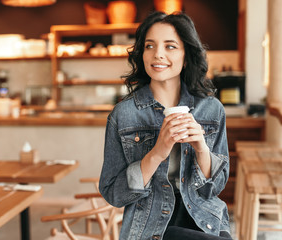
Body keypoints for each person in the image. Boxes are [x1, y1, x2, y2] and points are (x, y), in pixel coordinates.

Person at [99, 11, 232, 240]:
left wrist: (201, 148)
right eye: (150, 46)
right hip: (149, 225)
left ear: (186, 55)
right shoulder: (123, 115)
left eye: (170, 46)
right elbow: (113, 194)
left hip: (205, 219)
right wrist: (157, 153)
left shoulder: (211, 110)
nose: (158, 54)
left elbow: (214, 188)